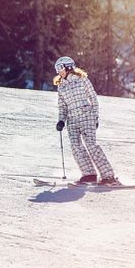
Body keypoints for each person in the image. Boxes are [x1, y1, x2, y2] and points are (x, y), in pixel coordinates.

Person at [53, 56, 118, 186]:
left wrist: (95, 116)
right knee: (76, 147)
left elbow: (93, 98)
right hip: (72, 120)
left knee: (91, 145)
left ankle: (108, 176)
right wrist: (61, 120)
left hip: (86, 116)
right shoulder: (61, 86)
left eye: (60, 68)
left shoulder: (82, 80)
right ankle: (89, 174)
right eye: (57, 69)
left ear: (68, 67)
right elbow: (62, 106)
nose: (58, 71)